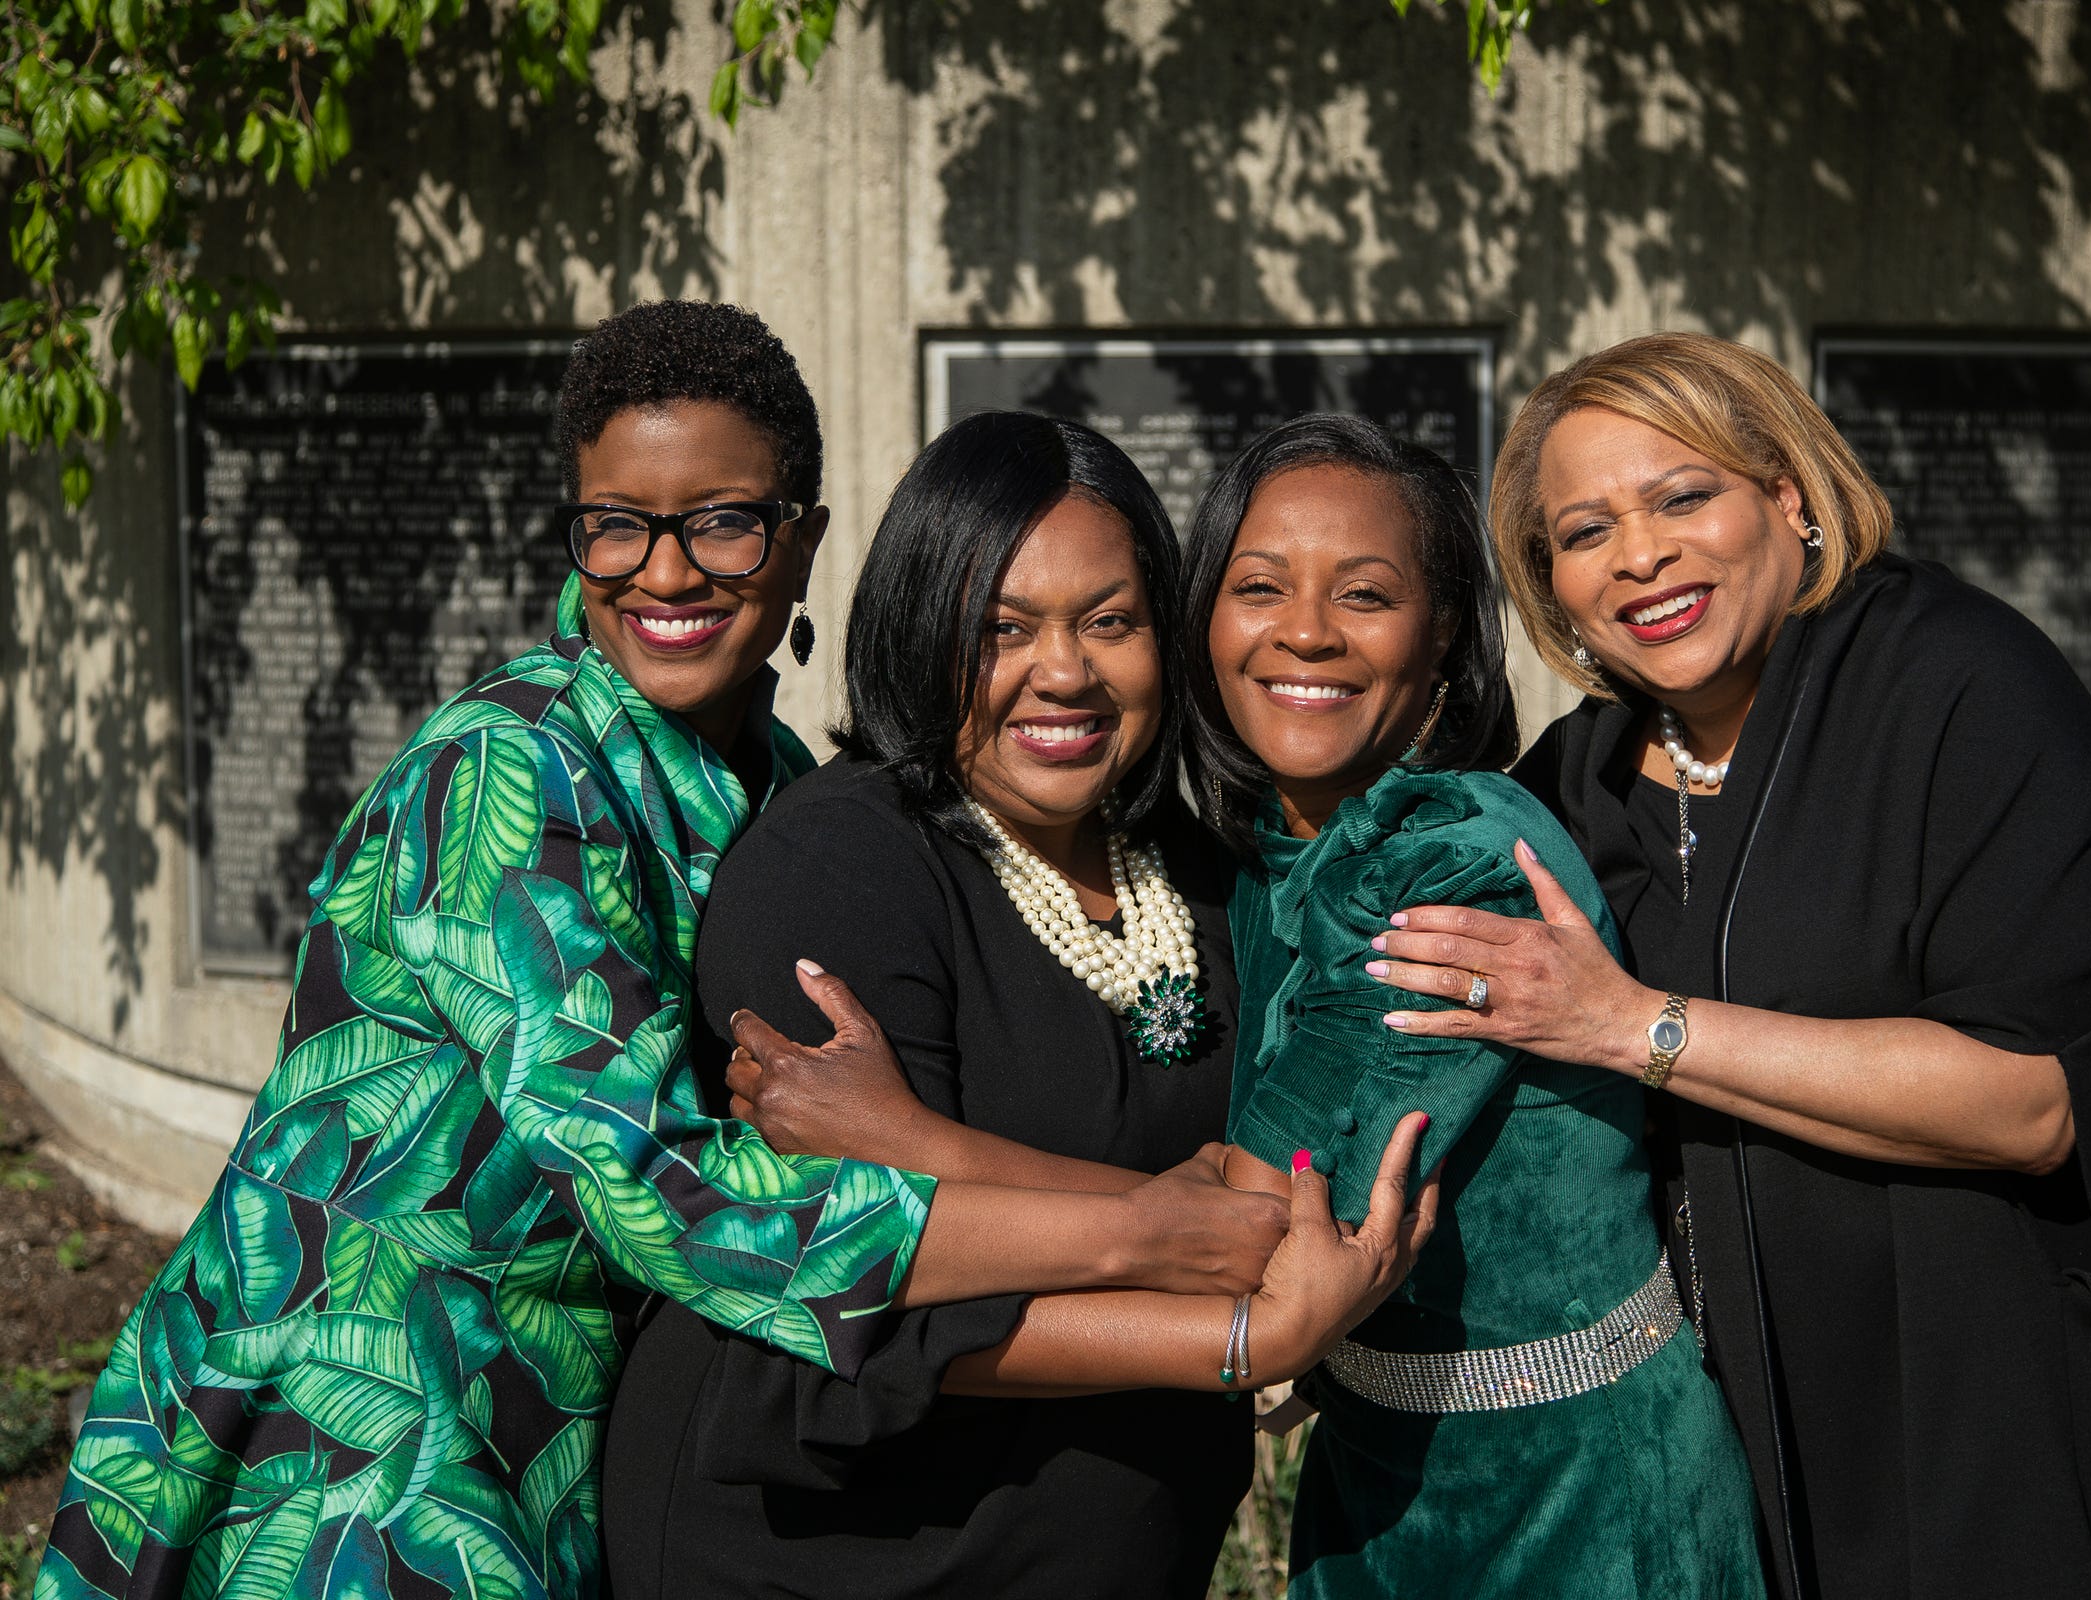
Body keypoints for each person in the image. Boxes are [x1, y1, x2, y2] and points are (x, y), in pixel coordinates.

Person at [37, 305, 1282, 1600]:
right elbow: (663, 1195)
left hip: (553, 1422)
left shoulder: (771, 780)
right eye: (616, 524)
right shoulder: (504, 775)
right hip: (369, 1428)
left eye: (723, 521)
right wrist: (1140, 1234)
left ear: (802, 543)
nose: (666, 573)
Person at [720, 415, 1765, 1598]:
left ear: (1442, 648)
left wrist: (907, 1145)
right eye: (1259, 586)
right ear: (1209, 623)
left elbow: (1269, 1226)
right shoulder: (1251, 857)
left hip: (1584, 1507)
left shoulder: (1454, 860)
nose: (1305, 630)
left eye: (1365, 595)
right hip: (1376, 1490)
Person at [1362, 333, 2091, 1599]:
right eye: (1584, 532)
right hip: (1737, 1471)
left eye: (1684, 496)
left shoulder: (1958, 693)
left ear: (1788, 500)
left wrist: (1635, 1025)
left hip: (2010, 1434)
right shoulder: (1573, 791)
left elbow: (2031, 1102)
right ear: (1555, 589)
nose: (1640, 553)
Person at [601, 411, 1437, 1600]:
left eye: (1111, 621)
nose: (1065, 672)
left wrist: (921, 1145)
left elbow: (1281, 1213)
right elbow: (873, 1287)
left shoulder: (1203, 882)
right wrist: (1241, 1335)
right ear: (918, 628)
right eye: (1001, 627)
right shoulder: (838, 873)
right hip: (828, 1553)